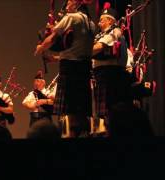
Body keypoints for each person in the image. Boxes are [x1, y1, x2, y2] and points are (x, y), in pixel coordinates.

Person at [34, 0, 95, 137]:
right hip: (84, 68)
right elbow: (77, 48)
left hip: (70, 69)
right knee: (81, 111)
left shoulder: (72, 18)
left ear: (78, 4)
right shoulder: (91, 23)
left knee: (72, 111)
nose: (66, 4)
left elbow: (53, 37)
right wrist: (55, 58)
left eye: (70, 1)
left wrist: (40, 47)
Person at [92, 2, 133, 134]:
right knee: (104, 114)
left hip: (109, 76)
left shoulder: (115, 32)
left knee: (110, 112)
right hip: (101, 75)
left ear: (110, 20)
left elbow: (97, 48)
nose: (99, 24)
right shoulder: (100, 35)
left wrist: (81, 51)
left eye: (101, 20)